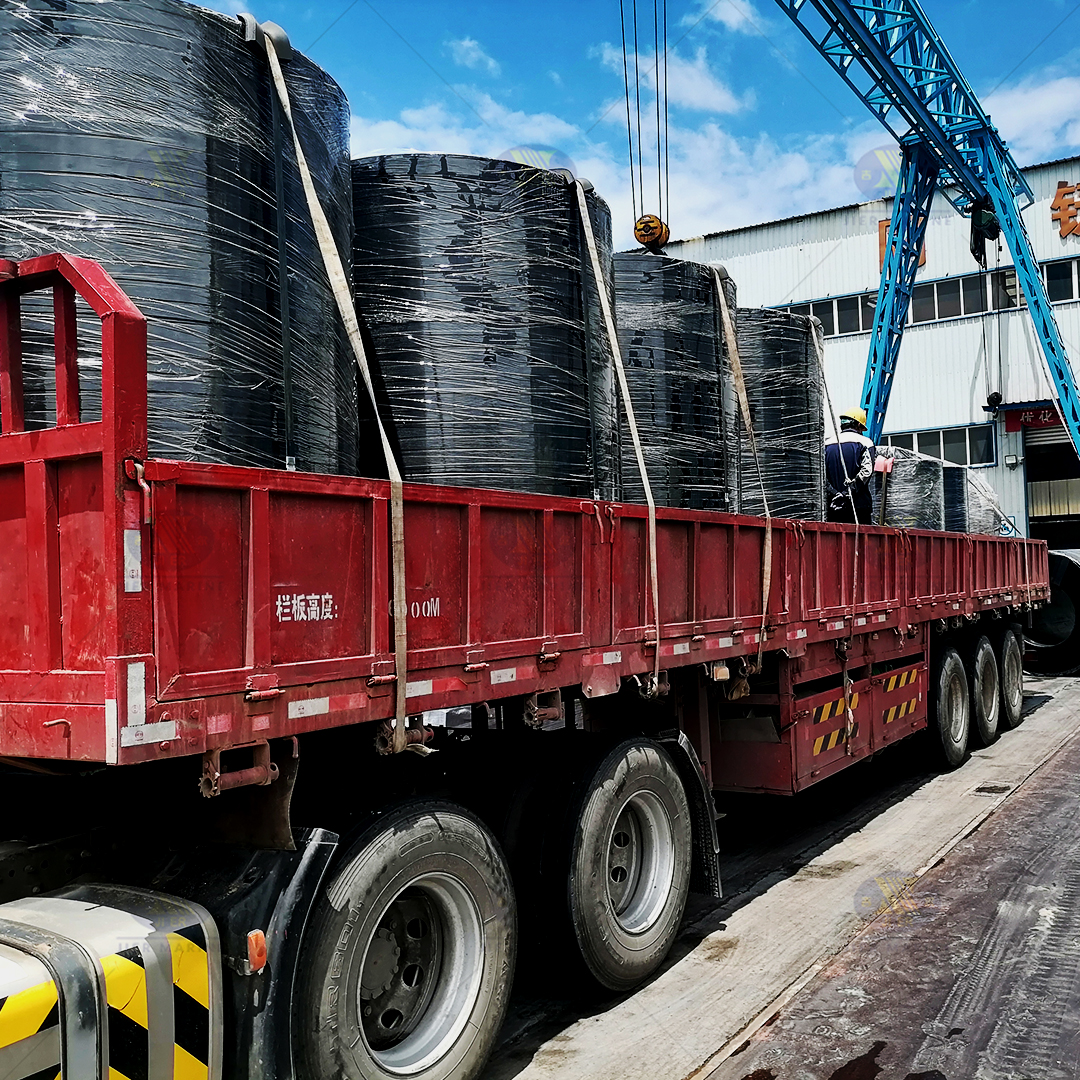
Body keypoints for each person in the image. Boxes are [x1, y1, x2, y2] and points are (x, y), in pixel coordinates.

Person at [825, 407, 876, 524]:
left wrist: (836, 494)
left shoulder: (826, 444)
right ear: (858, 425)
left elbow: (822, 476)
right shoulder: (865, 443)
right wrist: (848, 492)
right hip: (859, 507)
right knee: (860, 541)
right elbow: (866, 472)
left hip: (833, 507)